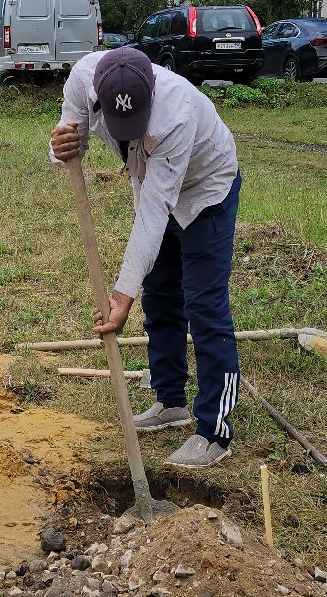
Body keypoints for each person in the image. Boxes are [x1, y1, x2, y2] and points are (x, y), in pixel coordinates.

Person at [48, 47, 242, 468]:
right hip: (153, 185)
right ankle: (170, 401)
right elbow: (70, 140)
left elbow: (155, 210)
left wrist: (122, 295)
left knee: (204, 305)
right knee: (160, 295)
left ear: (152, 90)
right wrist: (59, 146)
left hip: (206, 190)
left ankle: (214, 431)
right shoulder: (82, 79)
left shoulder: (176, 114)